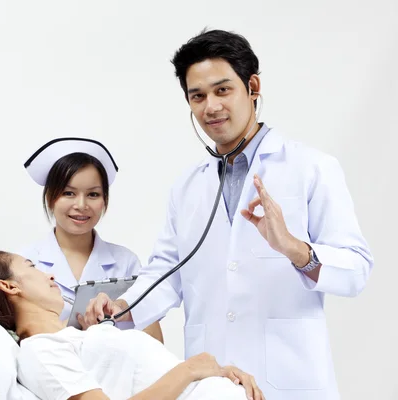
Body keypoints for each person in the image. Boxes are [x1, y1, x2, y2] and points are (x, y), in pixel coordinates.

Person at [81, 29, 373, 400]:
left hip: (289, 381)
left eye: (223, 90)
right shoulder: (187, 186)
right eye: (197, 96)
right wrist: (124, 307)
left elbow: (356, 270)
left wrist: (295, 249)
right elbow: (166, 272)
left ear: (252, 86)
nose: (210, 107)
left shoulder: (311, 168)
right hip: (213, 384)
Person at [0, 249, 265, 400]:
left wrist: (217, 371)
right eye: (31, 267)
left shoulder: (75, 337)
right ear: (9, 286)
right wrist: (191, 369)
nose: (48, 275)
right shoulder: (40, 350)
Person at [19, 138, 162, 341]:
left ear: (105, 199)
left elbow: (153, 341)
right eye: (68, 193)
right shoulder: (26, 263)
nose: (81, 205)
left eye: (93, 194)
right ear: (50, 197)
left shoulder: (125, 262)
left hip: (119, 370)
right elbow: (20, 336)